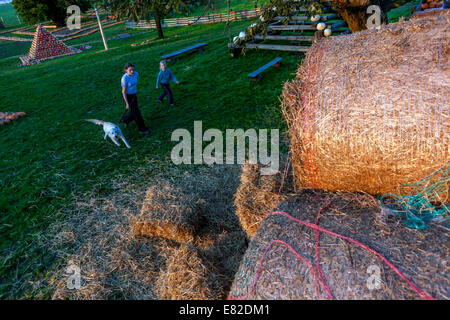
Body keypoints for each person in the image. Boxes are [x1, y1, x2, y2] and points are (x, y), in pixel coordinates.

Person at [121, 62, 149, 135]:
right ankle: (142, 129)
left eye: (133, 69)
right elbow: (123, 92)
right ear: (126, 70)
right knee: (137, 113)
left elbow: (135, 81)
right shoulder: (124, 79)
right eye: (130, 70)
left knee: (134, 111)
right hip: (128, 97)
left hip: (134, 95)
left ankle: (126, 120)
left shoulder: (136, 74)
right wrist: (127, 103)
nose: (132, 71)